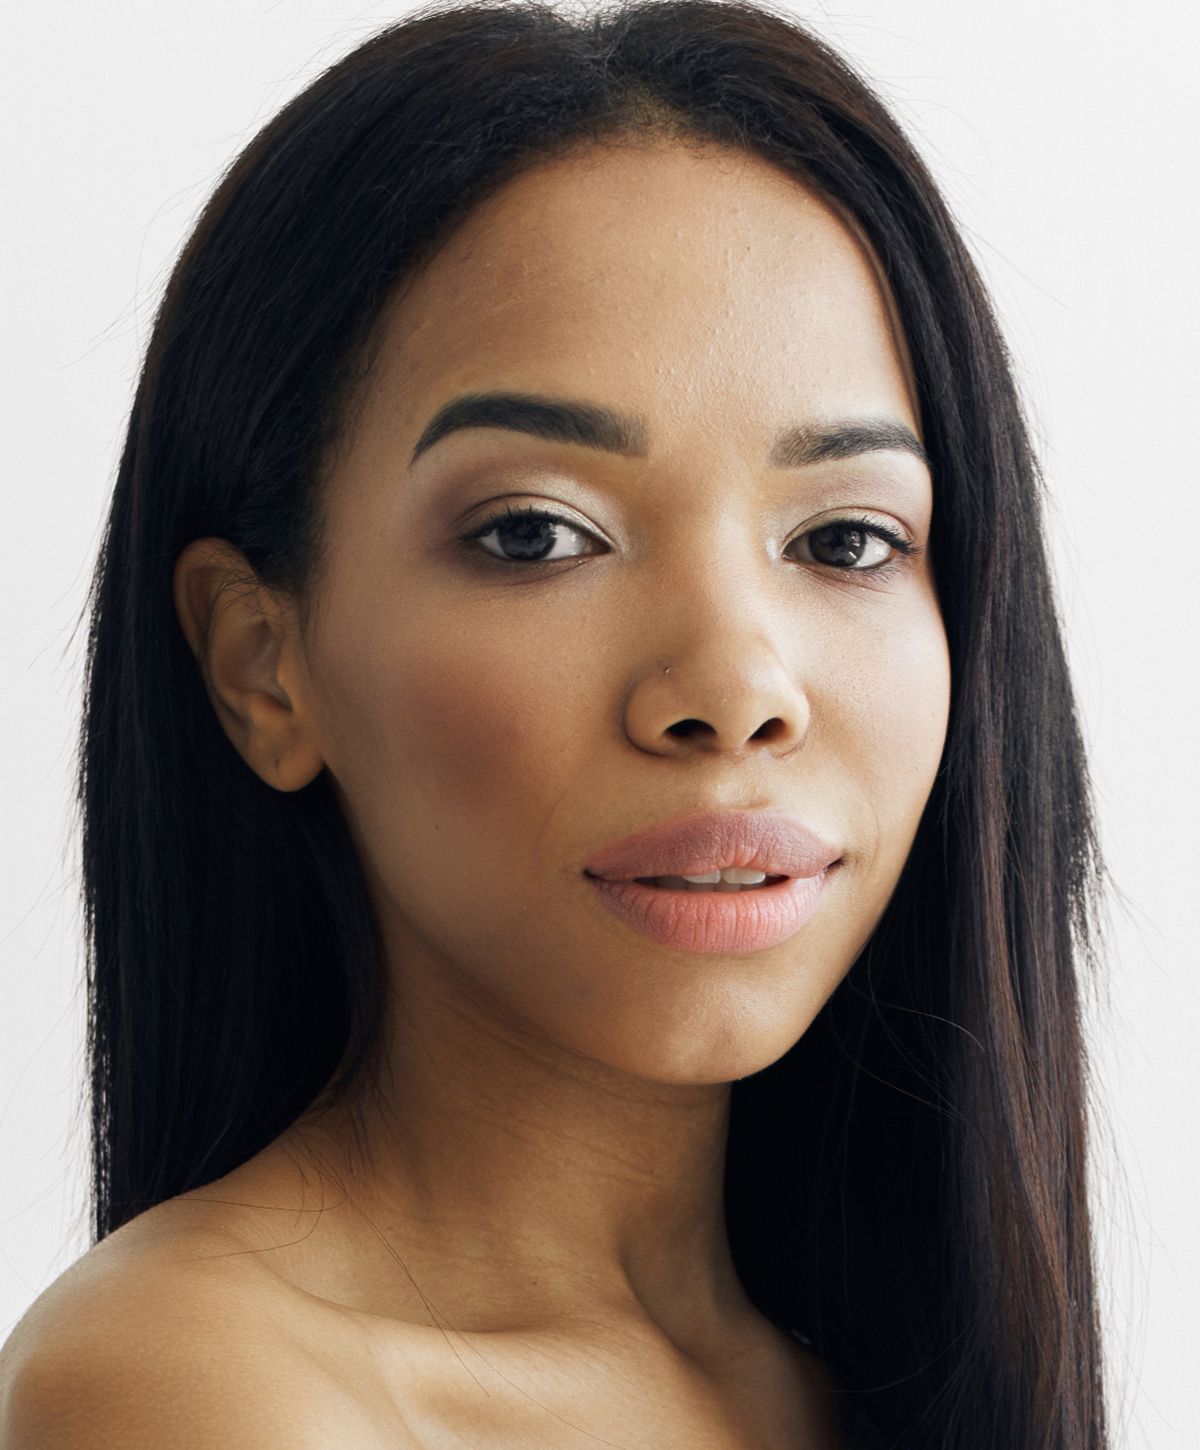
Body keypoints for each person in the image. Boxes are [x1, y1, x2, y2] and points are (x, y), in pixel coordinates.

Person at [0, 1, 1112, 1445]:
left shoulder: (862, 1373)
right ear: (262, 667)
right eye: (535, 534)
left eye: (844, 540)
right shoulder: (196, 1389)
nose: (733, 685)